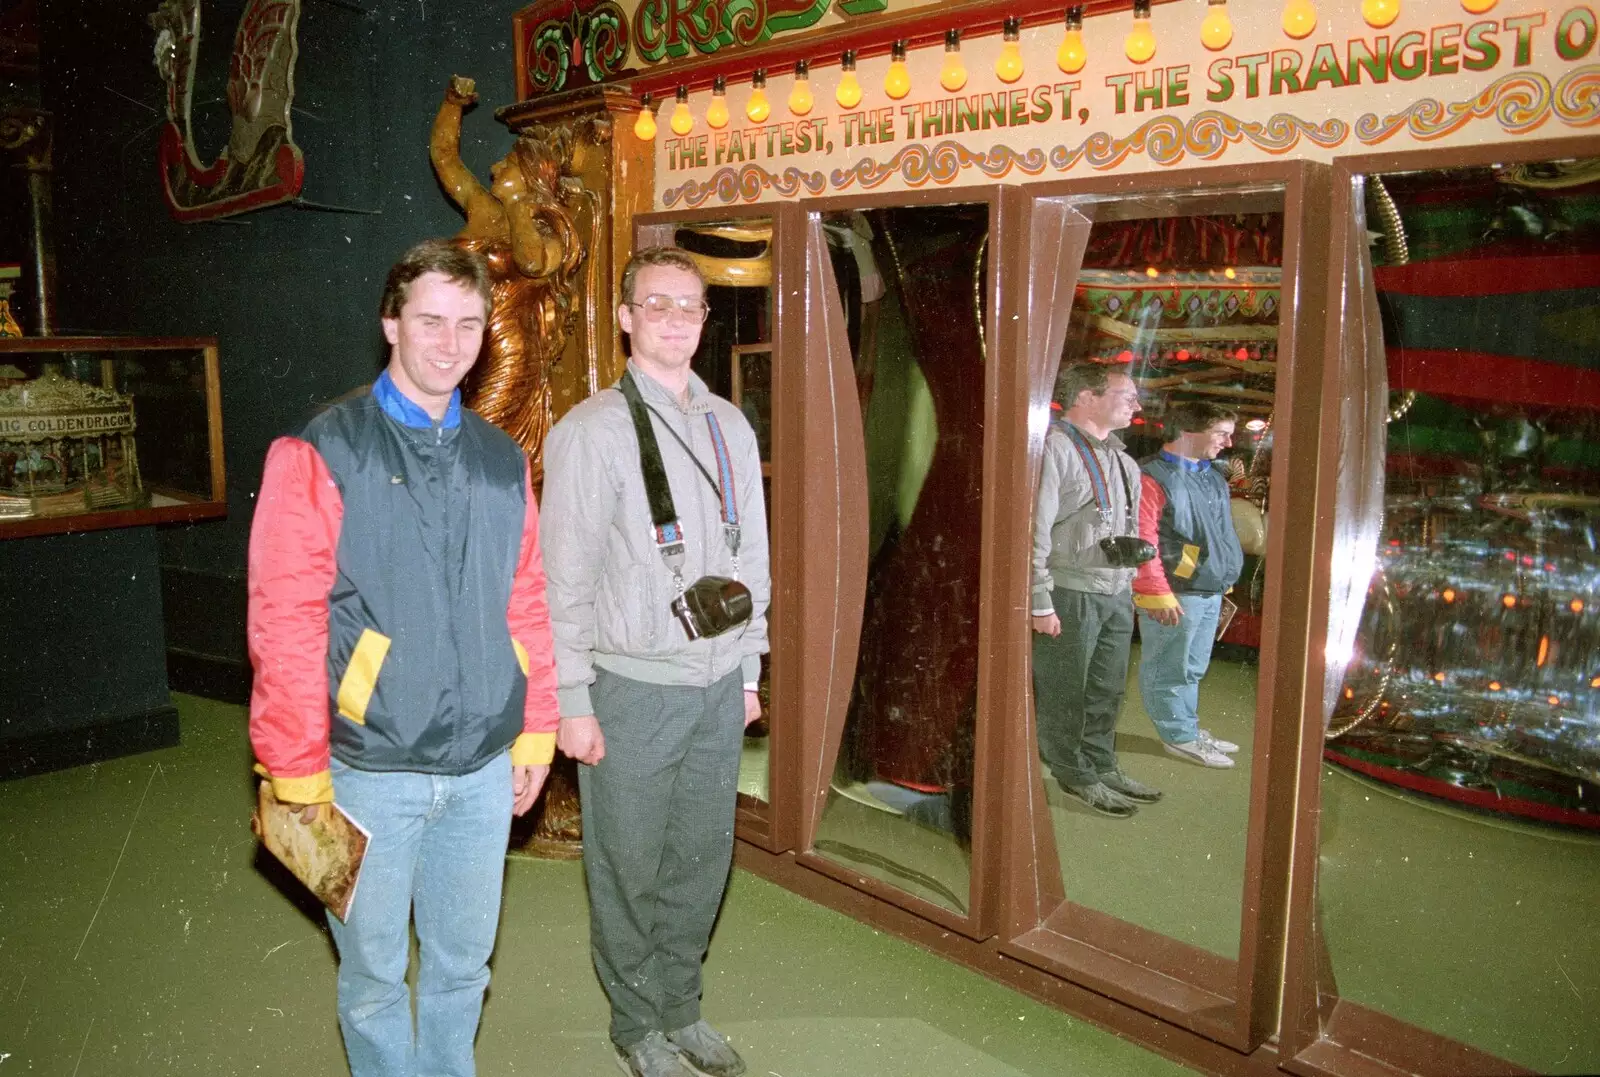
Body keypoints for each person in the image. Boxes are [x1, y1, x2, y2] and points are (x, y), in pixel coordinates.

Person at [247, 239, 560, 1077]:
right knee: (376, 973)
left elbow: (525, 599)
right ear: (391, 323)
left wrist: (536, 730)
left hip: (482, 771)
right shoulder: (323, 448)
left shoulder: (501, 460)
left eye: (468, 323)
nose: (449, 340)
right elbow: (284, 621)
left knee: (463, 966)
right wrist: (295, 770)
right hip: (368, 769)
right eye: (429, 320)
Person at [541, 246, 770, 1077]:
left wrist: (749, 673)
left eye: (691, 306)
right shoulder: (591, 431)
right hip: (630, 687)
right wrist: (573, 698)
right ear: (628, 317)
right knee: (628, 864)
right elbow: (560, 580)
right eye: (658, 305)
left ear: (706, 320)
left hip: (716, 687)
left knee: (702, 859)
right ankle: (638, 1025)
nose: (676, 320)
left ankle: (682, 1006)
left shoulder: (730, 425)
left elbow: (757, 564)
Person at [1030, 362, 1162, 819]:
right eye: (1126, 395)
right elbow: (1034, 530)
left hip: (1114, 591)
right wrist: (1040, 600)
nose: (1136, 404)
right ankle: (1073, 771)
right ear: (1086, 397)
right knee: (1066, 689)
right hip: (1070, 590)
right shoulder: (1055, 449)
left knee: (1107, 689)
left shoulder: (1123, 459)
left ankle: (1101, 764)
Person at [1133, 400, 1246, 768]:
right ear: (1188, 432)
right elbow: (1142, 538)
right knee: (1170, 665)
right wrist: (1155, 592)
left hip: (1208, 588)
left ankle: (1187, 727)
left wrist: (1221, 577)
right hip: (1175, 592)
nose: (1228, 444)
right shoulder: (1152, 476)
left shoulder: (1211, 475)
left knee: (1193, 666)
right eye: (1221, 434)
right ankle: (1178, 735)